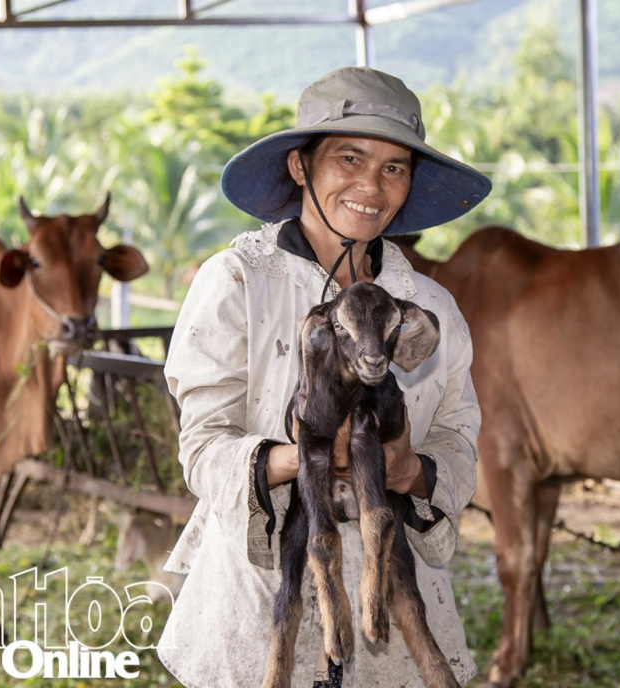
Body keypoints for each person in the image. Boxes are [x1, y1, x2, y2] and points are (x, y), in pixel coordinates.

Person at [157, 67, 491, 688]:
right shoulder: (237, 282)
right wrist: (302, 458)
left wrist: (409, 470)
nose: (371, 185)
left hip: (396, 614)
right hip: (257, 608)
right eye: (350, 157)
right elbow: (203, 445)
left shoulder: (429, 308)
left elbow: (458, 437)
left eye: (395, 167)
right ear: (299, 167)